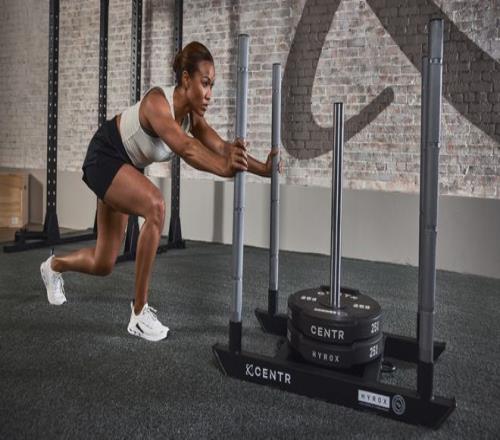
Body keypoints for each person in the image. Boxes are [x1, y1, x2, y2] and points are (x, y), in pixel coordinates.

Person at [40, 41, 280, 342]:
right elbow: (187, 148)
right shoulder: (157, 102)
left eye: (212, 86)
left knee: (103, 263)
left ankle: (53, 266)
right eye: (205, 83)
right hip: (105, 156)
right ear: (186, 79)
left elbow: (223, 147)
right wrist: (223, 168)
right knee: (155, 206)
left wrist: (263, 169)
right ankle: (139, 314)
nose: (209, 94)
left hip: (125, 167)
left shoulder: (192, 117)